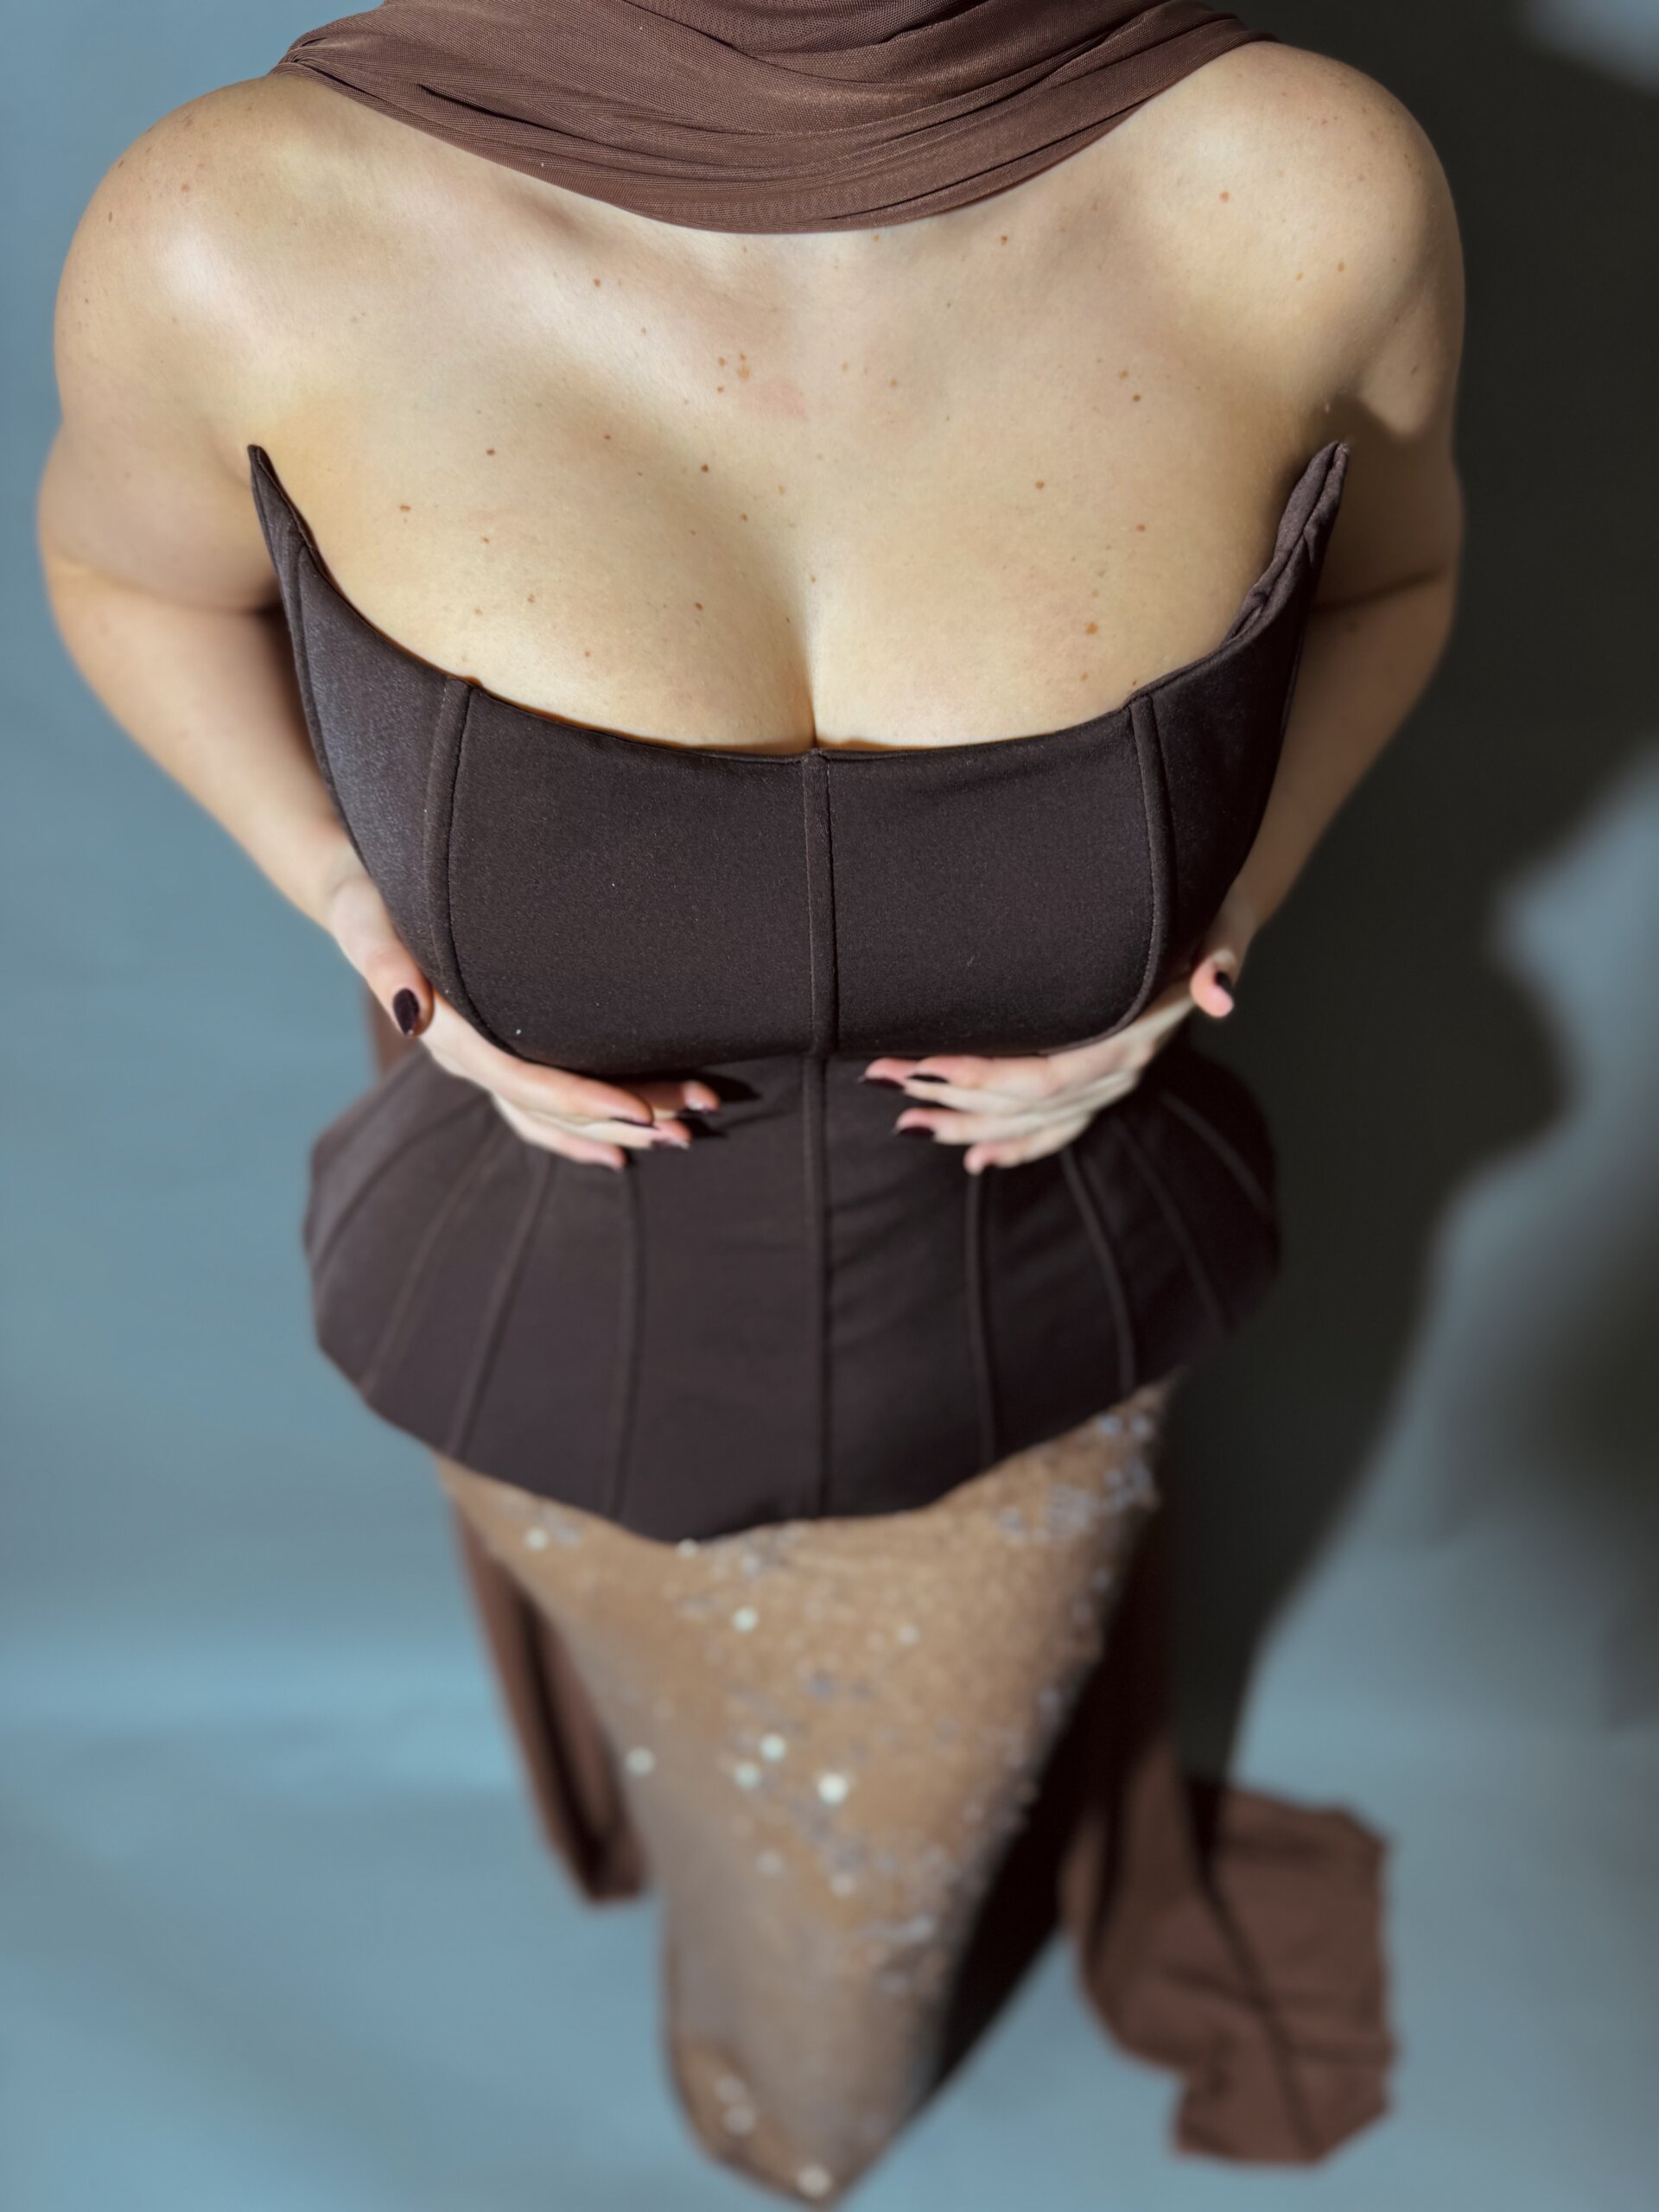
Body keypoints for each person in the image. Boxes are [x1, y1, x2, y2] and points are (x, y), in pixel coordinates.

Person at [37, 3, 1464, 2200]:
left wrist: (1215, 926)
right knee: (765, 1912)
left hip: (1029, 1363)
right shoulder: (238, 225)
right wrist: (361, 915)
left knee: (839, 2017)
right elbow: (128, 570)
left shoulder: (1297, 187)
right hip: (544, 1329)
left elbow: (1399, 572)